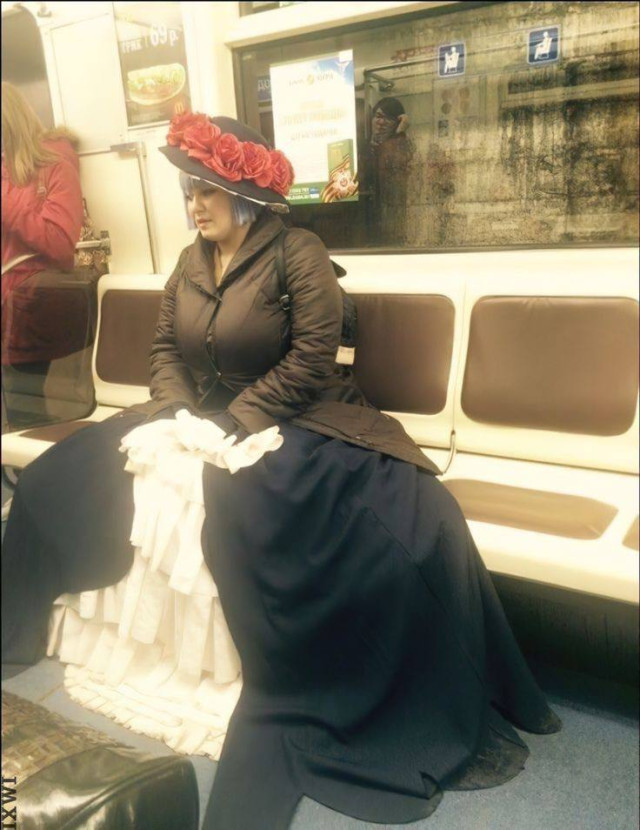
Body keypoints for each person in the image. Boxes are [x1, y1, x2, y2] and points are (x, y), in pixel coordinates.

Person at [2, 111, 561, 830]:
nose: (194, 204)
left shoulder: (299, 253)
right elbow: (166, 348)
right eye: (188, 191)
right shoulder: (190, 261)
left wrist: (233, 422)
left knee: (289, 513)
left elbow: (310, 360)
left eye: (206, 190)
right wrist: (178, 414)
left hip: (298, 414)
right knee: (58, 475)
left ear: (243, 193)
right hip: (199, 412)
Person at [1, 82, 90, 428]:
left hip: (29, 309)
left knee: (27, 410)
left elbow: (59, 242)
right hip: (10, 306)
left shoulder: (53, 160)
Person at [366, 96, 415, 245]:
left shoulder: (402, 146)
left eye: (388, 119)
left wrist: (399, 133)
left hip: (392, 216)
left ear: (397, 123)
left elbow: (396, 169)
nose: (381, 123)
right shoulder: (364, 147)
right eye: (378, 116)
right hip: (368, 219)